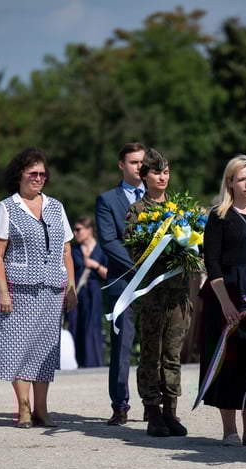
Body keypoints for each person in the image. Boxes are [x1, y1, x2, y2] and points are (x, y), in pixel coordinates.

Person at [0, 148, 77, 428]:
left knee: (44, 350)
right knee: (17, 348)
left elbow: (66, 250)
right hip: (19, 290)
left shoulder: (56, 207)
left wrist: (70, 286)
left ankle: (42, 410)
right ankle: (24, 408)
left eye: (42, 174)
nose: (39, 178)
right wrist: (3, 291)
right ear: (19, 175)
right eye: (33, 173)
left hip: (52, 289)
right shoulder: (6, 207)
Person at [199, 155, 246, 446]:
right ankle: (229, 429)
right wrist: (225, 302)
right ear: (230, 182)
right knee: (228, 362)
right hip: (226, 294)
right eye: (241, 179)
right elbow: (212, 262)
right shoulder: (219, 216)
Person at [124, 147, 191, 437]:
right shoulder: (138, 211)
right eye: (156, 172)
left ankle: (170, 411)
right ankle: (152, 409)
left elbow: (195, 243)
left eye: (165, 172)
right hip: (152, 294)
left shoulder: (180, 209)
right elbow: (134, 251)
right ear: (144, 176)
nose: (162, 177)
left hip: (178, 294)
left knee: (173, 354)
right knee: (152, 353)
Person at [95, 142, 145, 425]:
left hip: (155, 284)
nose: (139, 167)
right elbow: (109, 241)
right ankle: (120, 405)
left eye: (142, 162)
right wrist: (140, 267)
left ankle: (153, 402)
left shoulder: (158, 197)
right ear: (121, 165)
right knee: (122, 345)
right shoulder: (107, 200)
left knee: (153, 345)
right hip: (123, 282)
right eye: (134, 162)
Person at [67, 215, 107, 368]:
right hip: (76, 293)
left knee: (92, 326)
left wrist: (95, 266)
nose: (75, 233)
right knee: (74, 325)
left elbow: (109, 275)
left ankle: (93, 363)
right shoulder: (73, 251)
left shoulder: (101, 250)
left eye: (78, 229)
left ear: (89, 230)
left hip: (93, 293)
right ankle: (74, 362)